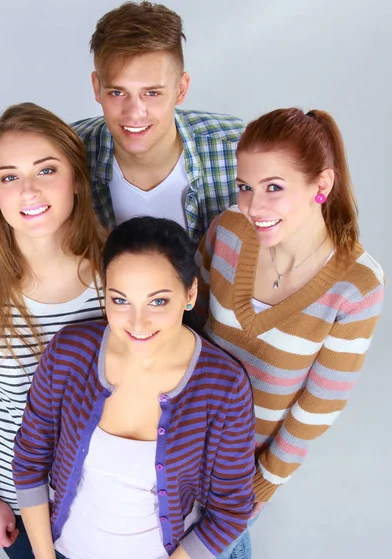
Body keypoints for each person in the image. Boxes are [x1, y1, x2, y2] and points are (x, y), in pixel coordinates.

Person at [194, 108, 385, 556]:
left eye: (274, 188)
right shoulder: (227, 232)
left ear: (322, 186)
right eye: (245, 187)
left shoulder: (357, 286)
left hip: (236, 479)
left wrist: (257, 490)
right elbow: (187, 330)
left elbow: (317, 406)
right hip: (172, 443)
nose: (253, 207)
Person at [13, 216, 257, 559]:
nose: (137, 323)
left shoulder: (223, 386)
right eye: (120, 300)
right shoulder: (69, 351)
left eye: (158, 301)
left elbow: (230, 513)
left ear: (190, 294)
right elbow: (29, 461)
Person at [0, 102, 106, 558]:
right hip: (20, 498)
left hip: (113, 503)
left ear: (75, 177)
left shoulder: (121, 269)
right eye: (9, 176)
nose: (29, 190)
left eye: (46, 170)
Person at [72, 1, 245, 251]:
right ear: (97, 88)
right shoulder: (66, 156)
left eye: (152, 93)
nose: (134, 113)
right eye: (117, 92)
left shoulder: (237, 148)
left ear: (181, 89)